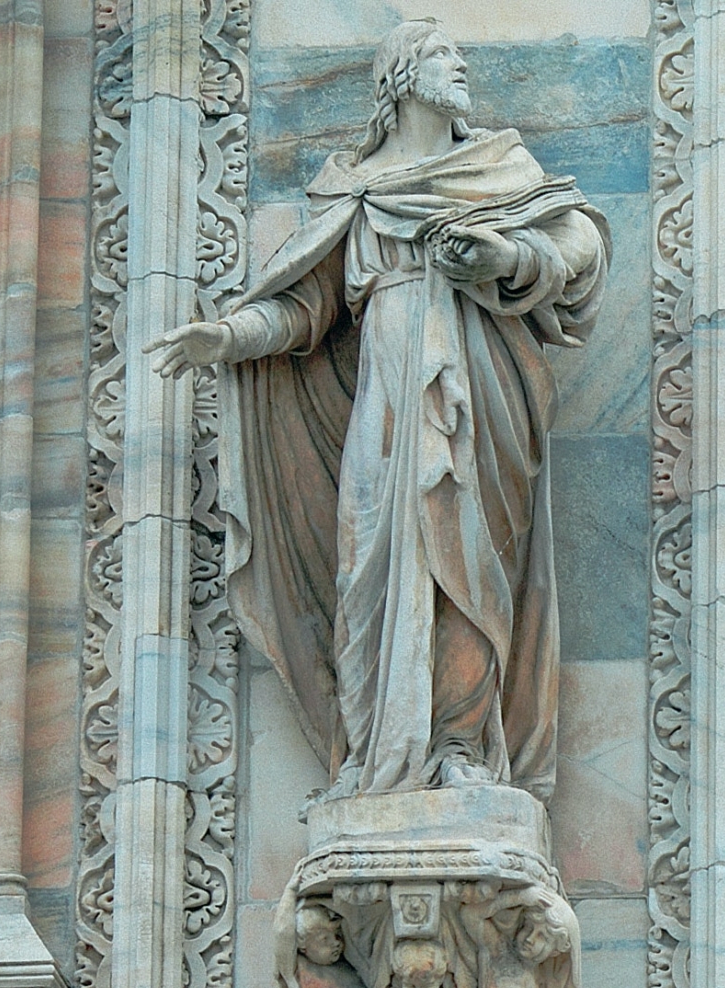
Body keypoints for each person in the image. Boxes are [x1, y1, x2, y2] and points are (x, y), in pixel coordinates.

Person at [146, 21, 609, 802]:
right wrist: (224, 336)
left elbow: (580, 245)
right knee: (366, 561)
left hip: (482, 396)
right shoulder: (355, 189)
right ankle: (371, 752)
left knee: (466, 564)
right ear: (398, 77)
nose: (459, 62)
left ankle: (460, 746)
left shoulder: (495, 165)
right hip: (386, 404)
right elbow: (305, 308)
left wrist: (507, 257)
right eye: (439, 54)